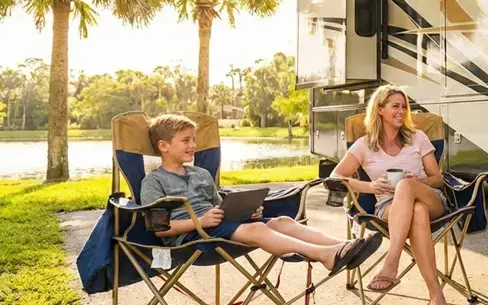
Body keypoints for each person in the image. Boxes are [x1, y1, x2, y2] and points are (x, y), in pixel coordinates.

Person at [140, 114, 382, 275]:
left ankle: (347, 246)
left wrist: (245, 210)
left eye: (193, 139)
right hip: (192, 239)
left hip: (218, 228)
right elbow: (159, 229)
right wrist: (199, 222)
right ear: (163, 146)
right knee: (258, 230)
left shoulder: (201, 174)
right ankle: (326, 256)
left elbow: (219, 206)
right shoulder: (154, 181)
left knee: (283, 221)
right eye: (185, 141)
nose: (193, 145)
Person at [333, 85, 455, 305]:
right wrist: (370, 187)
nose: (401, 111)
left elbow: (437, 178)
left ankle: (391, 262)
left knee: (408, 188)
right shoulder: (364, 144)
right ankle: (436, 295)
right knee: (415, 212)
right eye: (395, 106)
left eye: (404, 106)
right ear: (379, 110)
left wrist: (417, 180)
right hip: (389, 207)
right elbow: (336, 178)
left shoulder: (417, 137)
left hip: (430, 199)